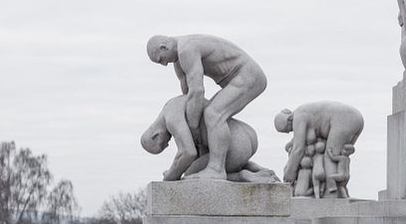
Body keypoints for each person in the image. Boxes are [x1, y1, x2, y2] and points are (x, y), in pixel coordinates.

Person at [146, 34, 268, 179]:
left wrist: (192, 128)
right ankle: (245, 168)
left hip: (248, 76)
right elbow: (187, 96)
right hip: (236, 80)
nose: (164, 64)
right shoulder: (179, 60)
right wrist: (195, 133)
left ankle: (216, 169)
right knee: (209, 116)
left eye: (161, 60)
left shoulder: (186, 48)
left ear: (164, 47)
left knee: (213, 114)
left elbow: (197, 91)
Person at [141, 94, 278, 182]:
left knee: (189, 175)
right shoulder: (174, 102)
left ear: (155, 135)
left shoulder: (171, 118)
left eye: (162, 145)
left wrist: (170, 176)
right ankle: (259, 170)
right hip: (247, 134)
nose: (167, 145)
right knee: (216, 160)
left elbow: (188, 153)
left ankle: (245, 176)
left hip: (234, 146)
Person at [274, 101, 364, 185]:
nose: (291, 131)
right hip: (356, 118)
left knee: (330, 156)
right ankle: (339, 190)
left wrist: (289, 174)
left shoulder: (298, 116)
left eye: (287, 129)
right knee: (341, 157)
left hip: (343, 118)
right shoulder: (303, 112)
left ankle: (331, 193)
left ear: (289, 119)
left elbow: (298, 149)